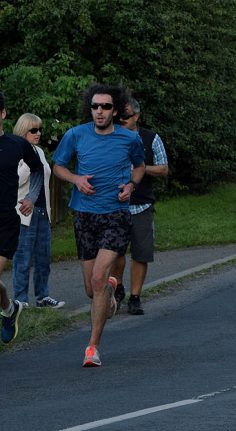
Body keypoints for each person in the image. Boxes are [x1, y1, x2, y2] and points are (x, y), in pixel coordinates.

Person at [52, 84, 146, 367]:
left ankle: (92, 347)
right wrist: (76, 180)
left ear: (115, 110)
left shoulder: (129, 139)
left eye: (105, 107)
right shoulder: (75, 135)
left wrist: (130, 185)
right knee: (91, 289)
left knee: (97, 279)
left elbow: (139, 167)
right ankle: (109, 296)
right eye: (95, 106)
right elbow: (59, 166)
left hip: (115, 215)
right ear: (90, 109)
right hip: (84, 216)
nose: (100, 111)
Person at [111, 97, 169, 315]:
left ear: (137, 116)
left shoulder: (150, 138)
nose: (122, 120)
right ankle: (118, 288)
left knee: (141, 253)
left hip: (141, 204)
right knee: (115, 252)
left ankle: (135, 297)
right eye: (120, 116)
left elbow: (163, 169)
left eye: (127, 116)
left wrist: (141, 168)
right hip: (115, 203)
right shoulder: (110, 136)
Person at [0, 91, 42, 347]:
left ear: (3, 113)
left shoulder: (17, 144)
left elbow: (37, 169)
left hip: (4, 222)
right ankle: (9, 308)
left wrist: (32, 197)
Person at [12, 113, 65, 309]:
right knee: (23, 259)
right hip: (24, 213)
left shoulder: (40, 152)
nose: (38, 133)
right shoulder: (16, 151)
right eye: (33, 130)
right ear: (23, 131)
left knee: (44, 258)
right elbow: (15, 180)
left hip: (42, 211)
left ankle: (43, 297)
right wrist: (27, 162)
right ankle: (20, 300)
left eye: (40, 129)